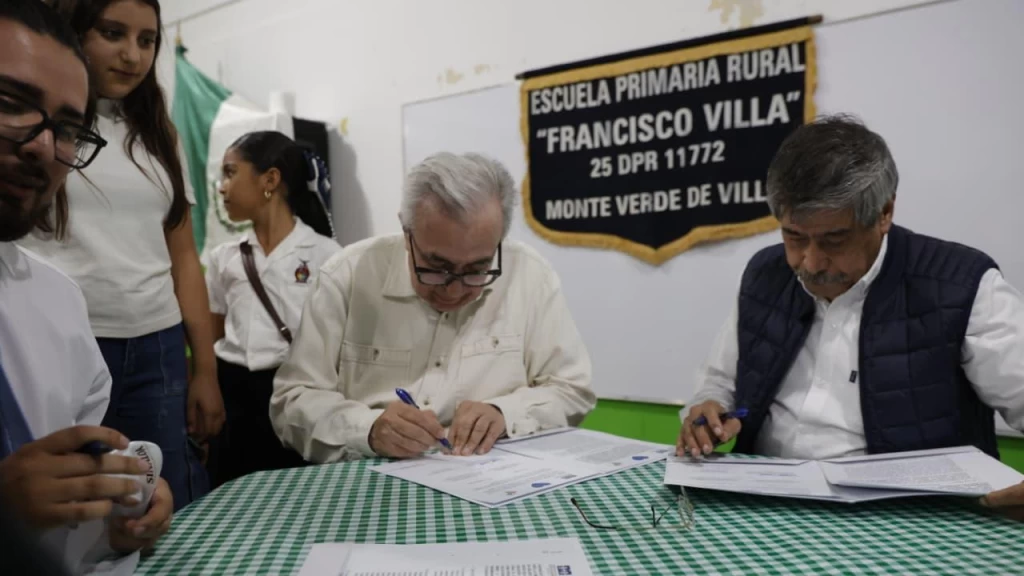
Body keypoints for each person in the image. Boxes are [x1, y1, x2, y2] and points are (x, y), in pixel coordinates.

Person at [677, 115, 1024, 518]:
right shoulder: (765, 274)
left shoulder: (960, 284)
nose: (810, 261)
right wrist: (710, 409)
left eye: (834, 240)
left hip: (913, 519)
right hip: (764, 506)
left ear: (884, 213)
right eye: (794, 237)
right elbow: (721, 383)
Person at [21, 0, 224, 510]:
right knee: (76, 504)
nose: (132, 55)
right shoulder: (43, 124)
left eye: (147, 40)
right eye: (113, 33)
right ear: (77, 32)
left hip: (157, 345)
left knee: (161, 496)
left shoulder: (160, 135)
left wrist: (204, 370)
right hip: (65, 340)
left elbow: (184, 257)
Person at [271, 152, 596, 461]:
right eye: (436, 266)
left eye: (477, 269)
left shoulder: (529, 275)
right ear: (405, 232)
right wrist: (367, 430)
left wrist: (505, 414)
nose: (454, 289)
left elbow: (572, 390)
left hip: (493, 481)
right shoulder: (348, 277)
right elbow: (291, 403)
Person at [0, 0, 172, 571]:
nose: (43, 147)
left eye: (68, 129)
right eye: (10, 105)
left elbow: (74, 517)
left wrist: (117, 513)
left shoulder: (52, 302)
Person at [204, 131, 340, 486]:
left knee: (299, 492)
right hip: (232, 394)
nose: (222, 187)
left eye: (231, 173)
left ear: (270, 179)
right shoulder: (225, 257)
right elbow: (213, 329)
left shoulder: (327, 255)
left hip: (295, 392)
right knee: (231, 495)